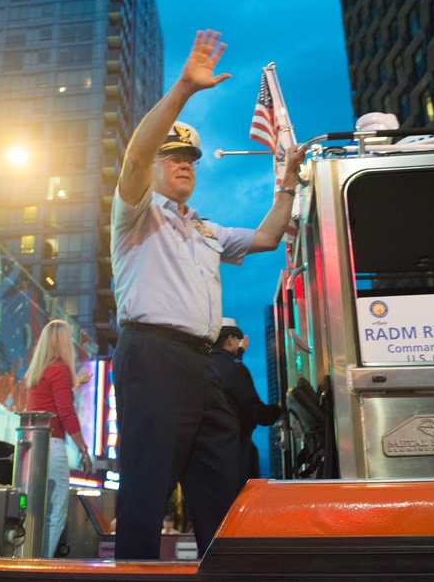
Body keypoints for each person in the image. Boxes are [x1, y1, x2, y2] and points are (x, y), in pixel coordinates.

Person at [110, 29, 307, 560]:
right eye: (173, 156)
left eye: (192, 159)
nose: (184, 164)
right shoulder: (134, 212)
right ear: (152, 165)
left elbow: (267, 237)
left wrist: (287, 183)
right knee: (147, 490)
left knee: (223, 485)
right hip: (151, 355)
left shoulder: (206, 228)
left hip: (204, 364)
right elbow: (133, 159)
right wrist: (183, 89)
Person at [24, 319, 93, 558]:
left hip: (32, 448)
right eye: (69, 339)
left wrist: (76, 383)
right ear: (62, 343)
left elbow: (51, 399)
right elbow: (64, 411)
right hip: (52, 446)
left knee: (36, 513)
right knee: (55, 514)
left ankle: (30, 562)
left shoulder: (39, 370)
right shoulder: (60, 368)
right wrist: (83, 450)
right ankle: (42, 566)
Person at [210, 318, 282, 487]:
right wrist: (279, 410)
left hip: (210, 451)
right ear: (229, 340)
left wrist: (240, 352)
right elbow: (254, 410)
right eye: (236, 340)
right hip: (236, 447)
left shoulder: (203, 365)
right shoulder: (235, 369)